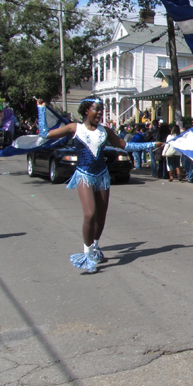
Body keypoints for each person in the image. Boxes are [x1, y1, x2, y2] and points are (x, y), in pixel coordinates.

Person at [34, 97, 160, 273]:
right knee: (90, 213)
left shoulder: (105, 131)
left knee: (101, 215)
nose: (100, 113)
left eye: (101, 110)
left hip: (102, 176)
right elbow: (44, 134)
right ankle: (86, 254)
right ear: (86, 110)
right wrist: (41, 109)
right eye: (96, 109)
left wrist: (152, 144)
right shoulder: (74, 128)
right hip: (84, 175)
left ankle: (94, 247)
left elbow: (125, 145)